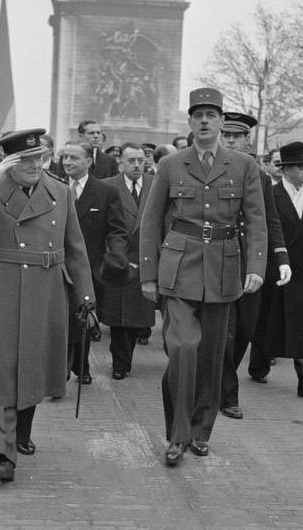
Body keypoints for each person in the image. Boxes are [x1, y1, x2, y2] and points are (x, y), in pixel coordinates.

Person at [0, 129, 94, 482]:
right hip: (0, 290)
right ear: (4, 161)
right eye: (23, 160)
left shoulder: (59, 190)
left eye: (39, 157)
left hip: (45, 289)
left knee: (33, 368)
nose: (34, 165)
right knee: (2, 371)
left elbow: (75, 247)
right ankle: (4, 453)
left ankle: (20, 434)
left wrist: (85, 298)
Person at [139, 87, 267, 467]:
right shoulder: (171, 164)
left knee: (212, 356)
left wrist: (256, 267)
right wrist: (148, 274)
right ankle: (177, 436)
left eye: (212, 115)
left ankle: (200, 431)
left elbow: (257, 221)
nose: (206, 121)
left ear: (222, 121)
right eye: (199, 115)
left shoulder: (244, 166)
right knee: (181, 348)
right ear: (191, 122)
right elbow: (150, 221)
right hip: (178, 268)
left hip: (224, 269)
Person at [218, 112, 290, 421]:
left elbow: (269, 220)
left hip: (249, 263)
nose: (231, 140)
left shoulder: (259, 176)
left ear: (248, 140)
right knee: (224, 331)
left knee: (245, 329)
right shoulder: (210, 170)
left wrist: (281, 257)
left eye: (237, 136)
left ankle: (219, 380)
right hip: (218, 260)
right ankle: (225, 393)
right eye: (227, 135)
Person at [256, 141, 303, 397]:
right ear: (286, 169)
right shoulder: (271, 196)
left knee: (302, 323)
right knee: (269, 320)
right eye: (299, 167)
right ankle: (258, 365)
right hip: (274, 270)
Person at [60, 141, 128, 381]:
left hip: (90, 265)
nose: (67, 162)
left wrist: (116, 256)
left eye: (73, 158)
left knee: (83, 315)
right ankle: (63, 368)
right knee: (60, 317)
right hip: (56, 264)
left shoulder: (106, 192)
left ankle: (81, 366)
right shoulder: (54, 188)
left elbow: (117, 230)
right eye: (64, 157)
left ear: (89, 162)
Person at [101, 142, 155, 378]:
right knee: (119, 317)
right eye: (131, 160)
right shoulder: (107, 187)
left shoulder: (156, 185)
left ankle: (125, 357)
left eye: (140, 160)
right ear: (120, 162)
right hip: (118, 259)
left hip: (145, 258)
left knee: (139, 316)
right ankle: (120, 364)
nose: (136, 165)